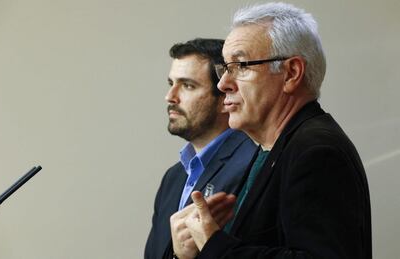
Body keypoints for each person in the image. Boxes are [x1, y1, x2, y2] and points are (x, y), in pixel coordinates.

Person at [170, 3, 372, 259]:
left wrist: (214, 246)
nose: (223, 84)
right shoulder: (272, 148)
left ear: (291, 73)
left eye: (241, 66)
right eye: (225, 68)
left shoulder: (317, 152)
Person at [144, 38, 257, 259]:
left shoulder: (253, 164)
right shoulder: (173, 178)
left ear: (224, 95)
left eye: (187, 85)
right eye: (171, 84)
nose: (170, 97)